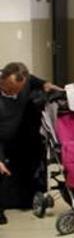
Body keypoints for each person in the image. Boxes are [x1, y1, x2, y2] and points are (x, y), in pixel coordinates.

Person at [0, 62, 61, 226]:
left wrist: (45, 84)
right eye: (11, 89)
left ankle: (27, 197)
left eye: (19, 89)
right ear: (2, 79)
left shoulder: (24, 83)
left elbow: (33, 81)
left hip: (17, 137)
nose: (15, 93)